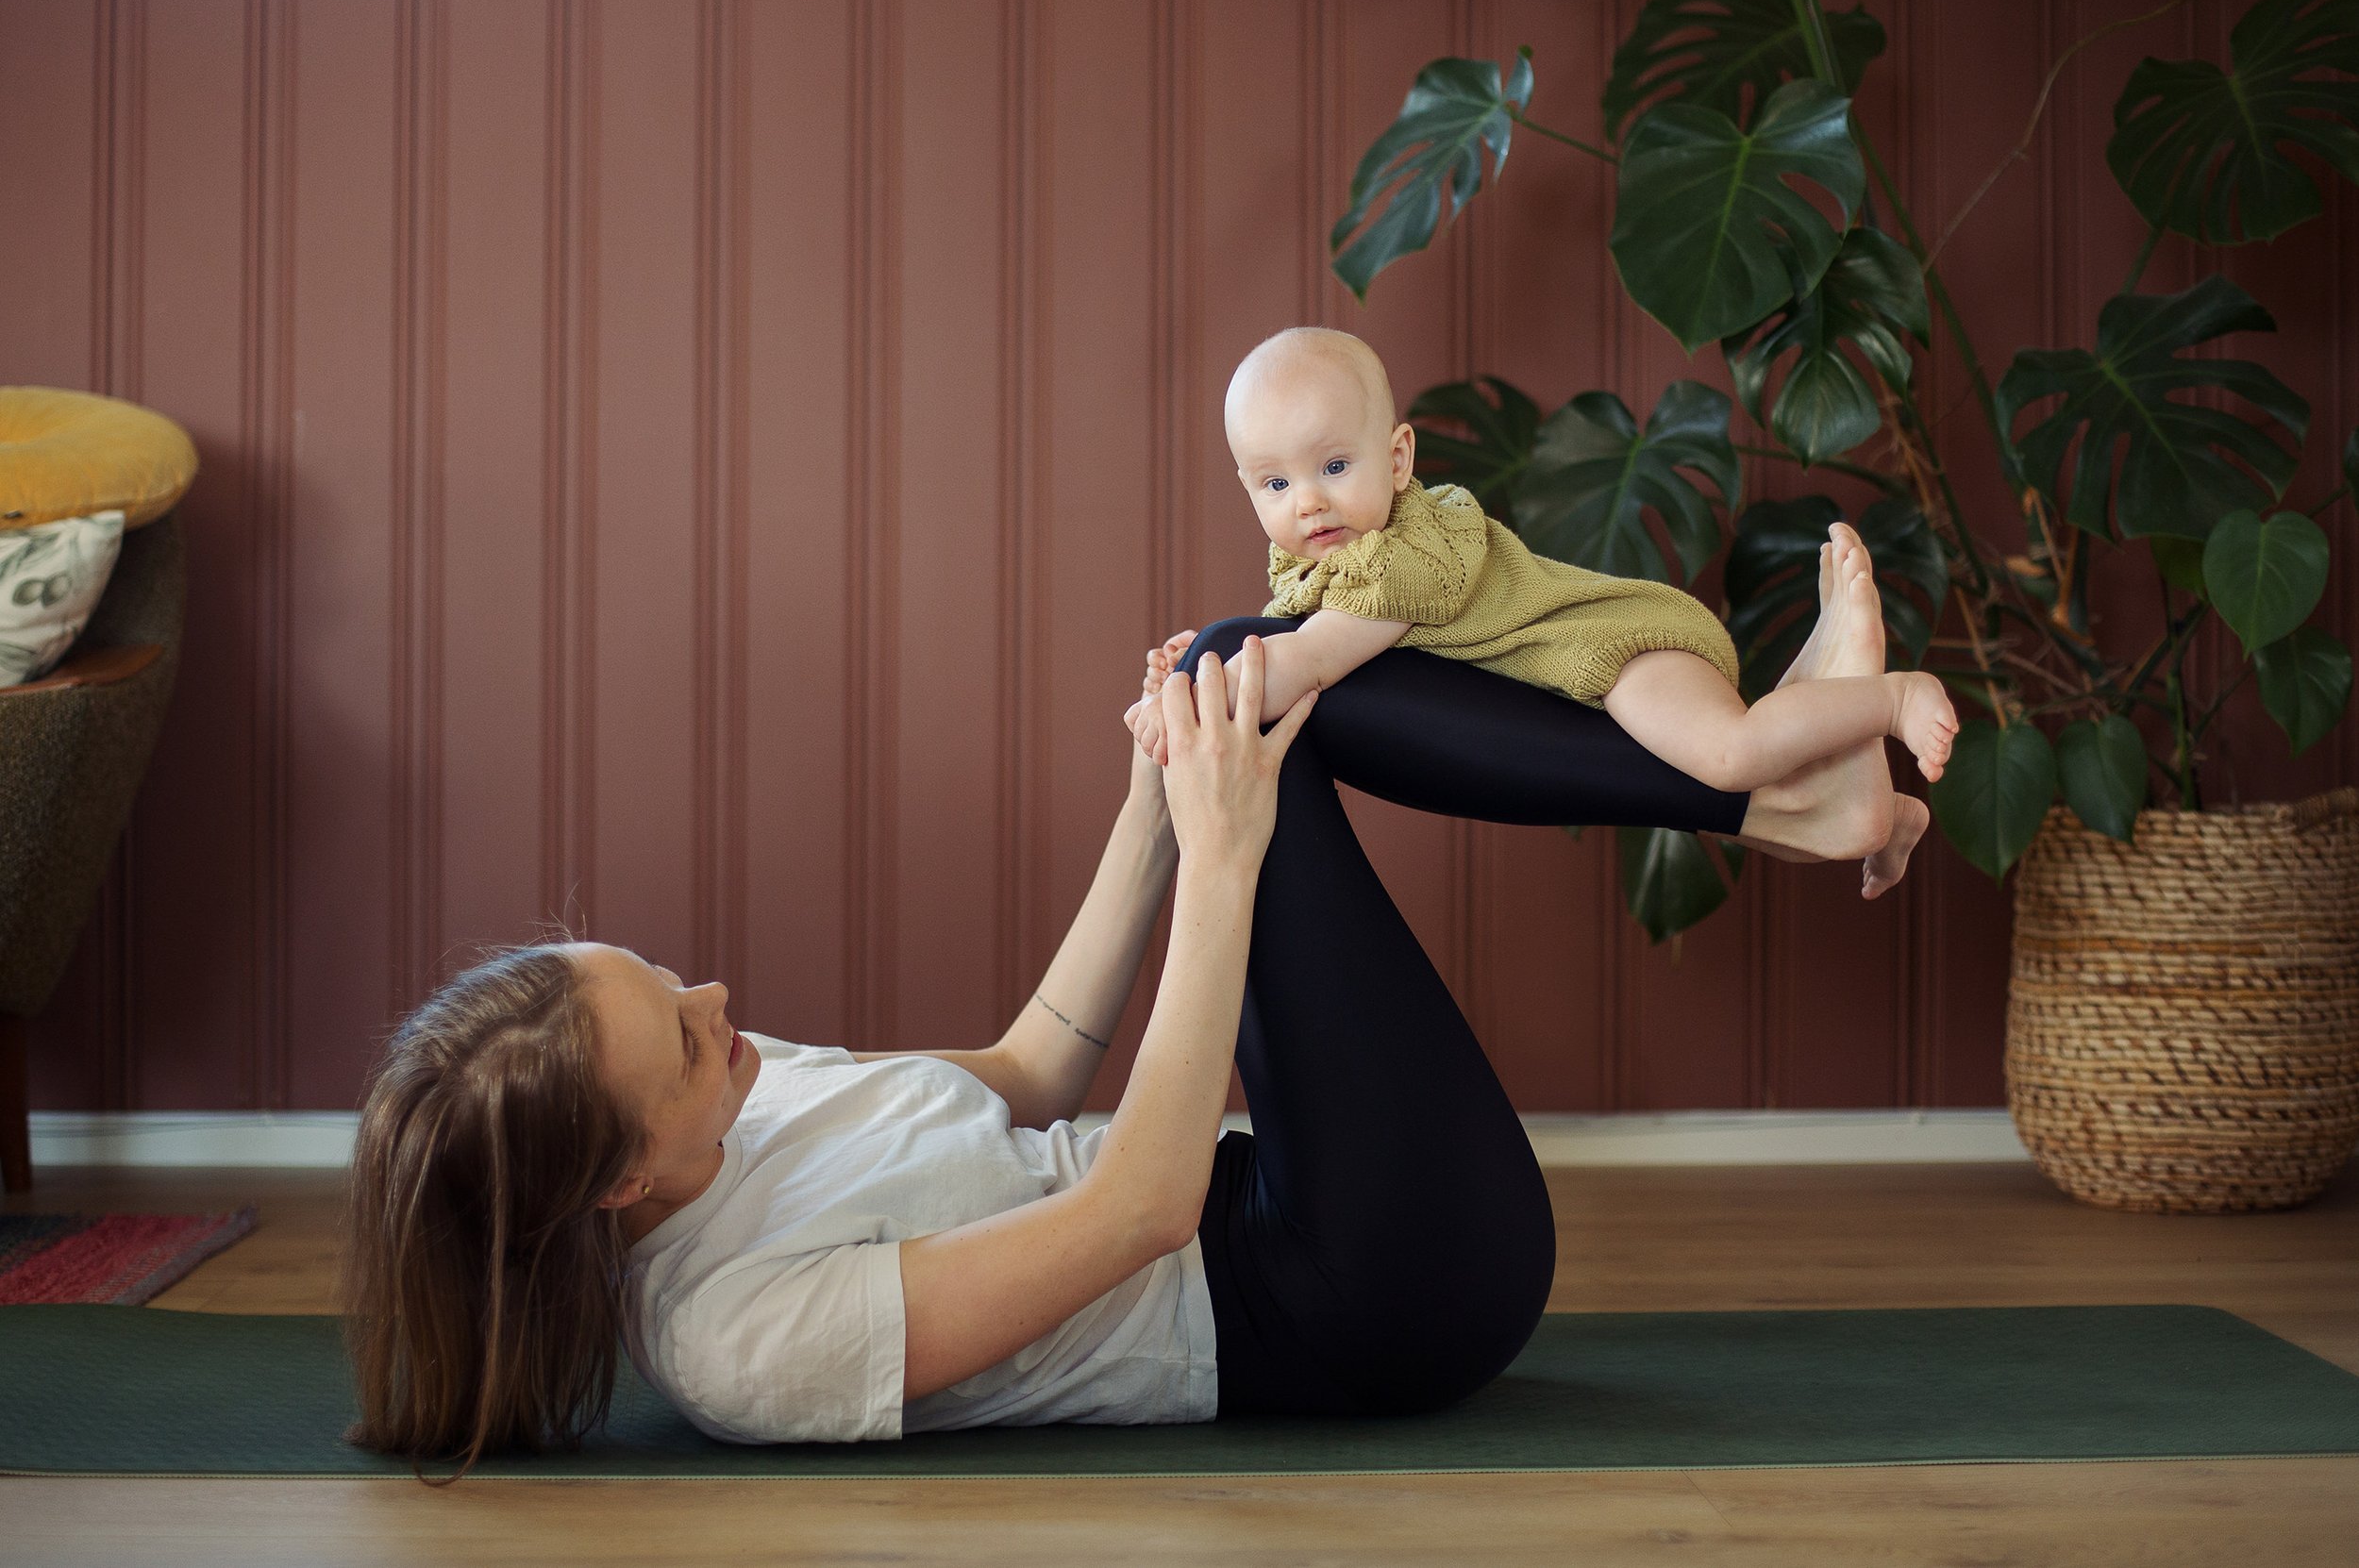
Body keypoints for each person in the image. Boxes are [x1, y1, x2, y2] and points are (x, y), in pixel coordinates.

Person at [343, 557, 1903, 1477]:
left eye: (667, 975)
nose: (717, 1001)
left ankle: (1780, 788)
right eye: (683, 1036)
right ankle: (1768, 782)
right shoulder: (733, 1343)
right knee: (1259, 678)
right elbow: (1142, 1208)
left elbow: (1030, 1066)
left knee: (1242, 672)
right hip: (1364, 1299)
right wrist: (1223, 855)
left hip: (1278, 1196)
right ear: (621, 1178)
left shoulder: (734, 1102)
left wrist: (1157, 801)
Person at [1125, 325, 1947, 895]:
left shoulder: (1411, 553)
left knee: (1730, 759)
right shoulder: (1331, 558)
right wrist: (1206, 650)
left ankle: (1891, 700)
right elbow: (1290, 630)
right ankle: (1882, 814)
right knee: (1722, 794)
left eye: (1334, 465)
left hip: (1623, 647)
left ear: (1398, 457)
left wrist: (1191, 693)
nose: (1307, 501)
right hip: (1582, 675)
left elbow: (1306, 659)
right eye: (1275, 483)